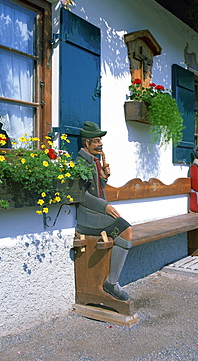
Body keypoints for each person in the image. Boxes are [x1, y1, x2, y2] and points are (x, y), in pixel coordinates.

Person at [75, 121, 132, 301]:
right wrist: (104, 206)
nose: (101, 144)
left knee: (126, 229)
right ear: (87, 143)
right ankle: (111, 283)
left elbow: (96, 189)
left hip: (96, 214)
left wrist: (104, 178)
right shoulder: (80, 163)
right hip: (87, 218)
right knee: (126, 230)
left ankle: (112, 281)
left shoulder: (95, 162)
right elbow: (81, 195)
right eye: (97, 141)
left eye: (100, 141)